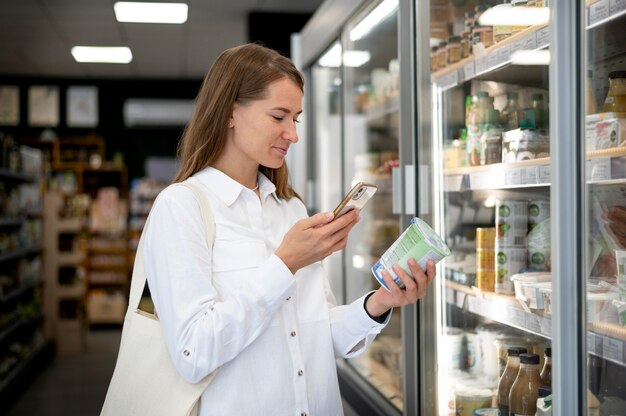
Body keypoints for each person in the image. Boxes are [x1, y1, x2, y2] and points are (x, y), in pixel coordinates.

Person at [142, 42, 436, 415]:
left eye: (295, 119)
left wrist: (380, 303)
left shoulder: (290, 208)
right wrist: (284, 264)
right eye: (278, 116)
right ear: (230, 112)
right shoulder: (181, 207)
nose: (293, 134)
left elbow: (316, 335)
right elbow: (194, 353)